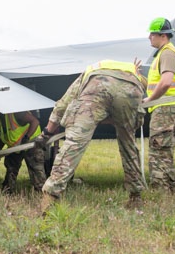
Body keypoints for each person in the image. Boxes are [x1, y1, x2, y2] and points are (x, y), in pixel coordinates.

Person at [40, 60, 147, 213]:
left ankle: (50, 197)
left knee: (74, 143)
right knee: (128, 143)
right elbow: (135, 113)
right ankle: (135, 196)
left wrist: (47, 133)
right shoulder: (133, 73)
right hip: (131, 90)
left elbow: (62, 105)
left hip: (97, 87)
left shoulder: (89, 72)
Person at [140, 17, 175, 193]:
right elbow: (158, 83)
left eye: (152, 34)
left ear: (162, 35)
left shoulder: (167, 53)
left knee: (159, 152)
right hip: (167, 107)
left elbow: (166, 82)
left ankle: (161, 190)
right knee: (163, 152)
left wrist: (149, 99)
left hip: (166, 108)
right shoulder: (163, 53)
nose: (149, 37)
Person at [0, 111, 47, 194]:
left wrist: (26, 137)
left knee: (36, 170)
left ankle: (43, 193)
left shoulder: (16, 113)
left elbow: (35, 122)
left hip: (31, 142)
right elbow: (2, 136)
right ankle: (7, 192)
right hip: (15, 146)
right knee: (11, 167)